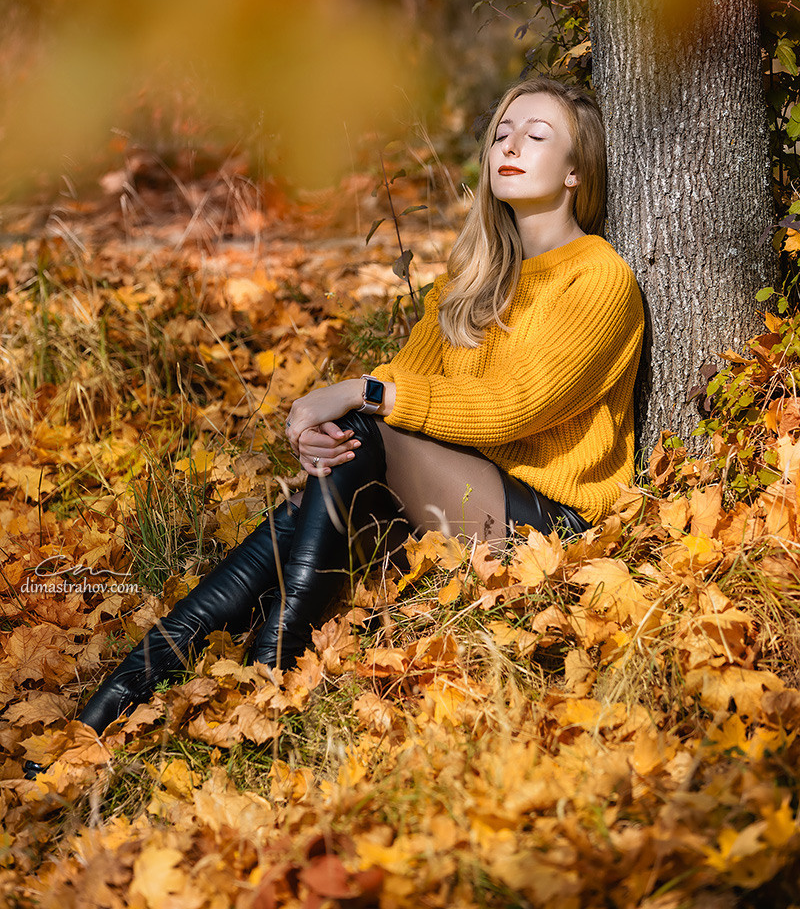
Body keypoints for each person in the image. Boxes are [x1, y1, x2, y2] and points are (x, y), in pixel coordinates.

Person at [60, 75, 645, 740]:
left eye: (536, 136)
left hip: (551, 530)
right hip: (465, 497)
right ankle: (119, 700)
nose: (509, 146)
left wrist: (361, 393)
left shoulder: (598, 276)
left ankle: (262, 682)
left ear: (575, 171)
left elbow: (515, 405)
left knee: (361, 427)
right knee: (321, 482)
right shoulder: (476, 279)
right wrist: (334, 425)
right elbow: (408, 378)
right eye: (502, 134)